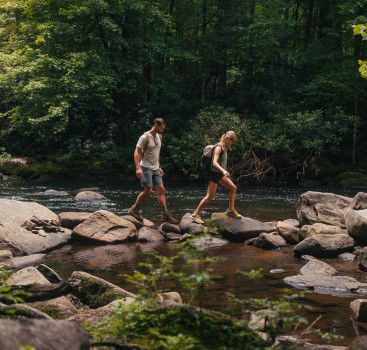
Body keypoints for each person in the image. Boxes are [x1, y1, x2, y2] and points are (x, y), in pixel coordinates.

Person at [128, 118, 178, 224]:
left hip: (155, 168)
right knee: (148, 190)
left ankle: (165, 215)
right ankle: (134, 209)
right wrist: (138, 168)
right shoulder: (144, 137)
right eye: (161, 128)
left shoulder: (159, 136)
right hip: (145, 167)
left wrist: (159, 166)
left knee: (161, 190)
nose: (162, 130)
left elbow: (156, 153)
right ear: (156, 124)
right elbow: (136, 153)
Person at [191, 131, 241, 224]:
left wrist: (222, 172)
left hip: (219, 174)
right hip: (214, 174)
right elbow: (214, 162)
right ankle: (196, 214)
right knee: (210, 196)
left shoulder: (225, 147)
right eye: (232, 141)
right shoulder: (218, 147)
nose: (232, 143)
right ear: (227, 139)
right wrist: (223, 170)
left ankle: (231, 210)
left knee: (233, 188)